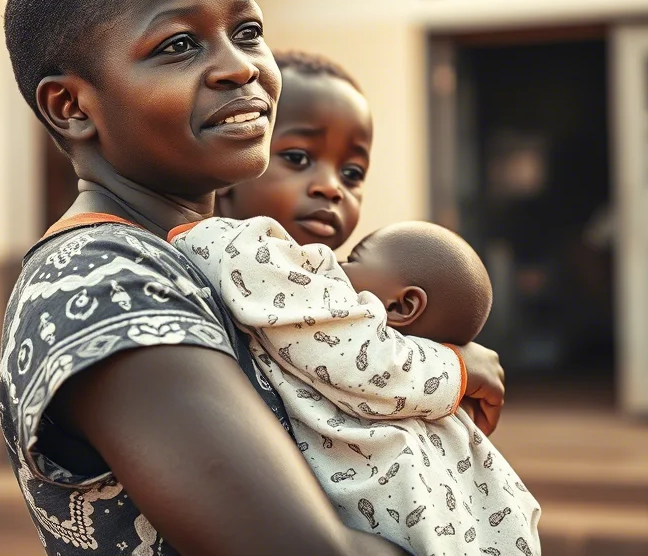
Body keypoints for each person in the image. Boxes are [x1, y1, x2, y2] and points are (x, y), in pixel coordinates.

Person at [0, 0, 504, 555]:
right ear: (71, 107)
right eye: (179, 45)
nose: (240, 67)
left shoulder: (230, 264)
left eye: (247, 32)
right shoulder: (99, 281)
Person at [172, 217, 540, 555]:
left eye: (353, 259)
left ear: (401, 306)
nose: (333, 263)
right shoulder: (415, 378)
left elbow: (377, 362)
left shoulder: (376, 355)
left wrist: (206, 232)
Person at [215, 50, 371, 252]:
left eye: (352, 173)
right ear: (225, 166)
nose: (331, 188)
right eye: (297, 158)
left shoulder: (347, 273)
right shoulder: (187, 262)